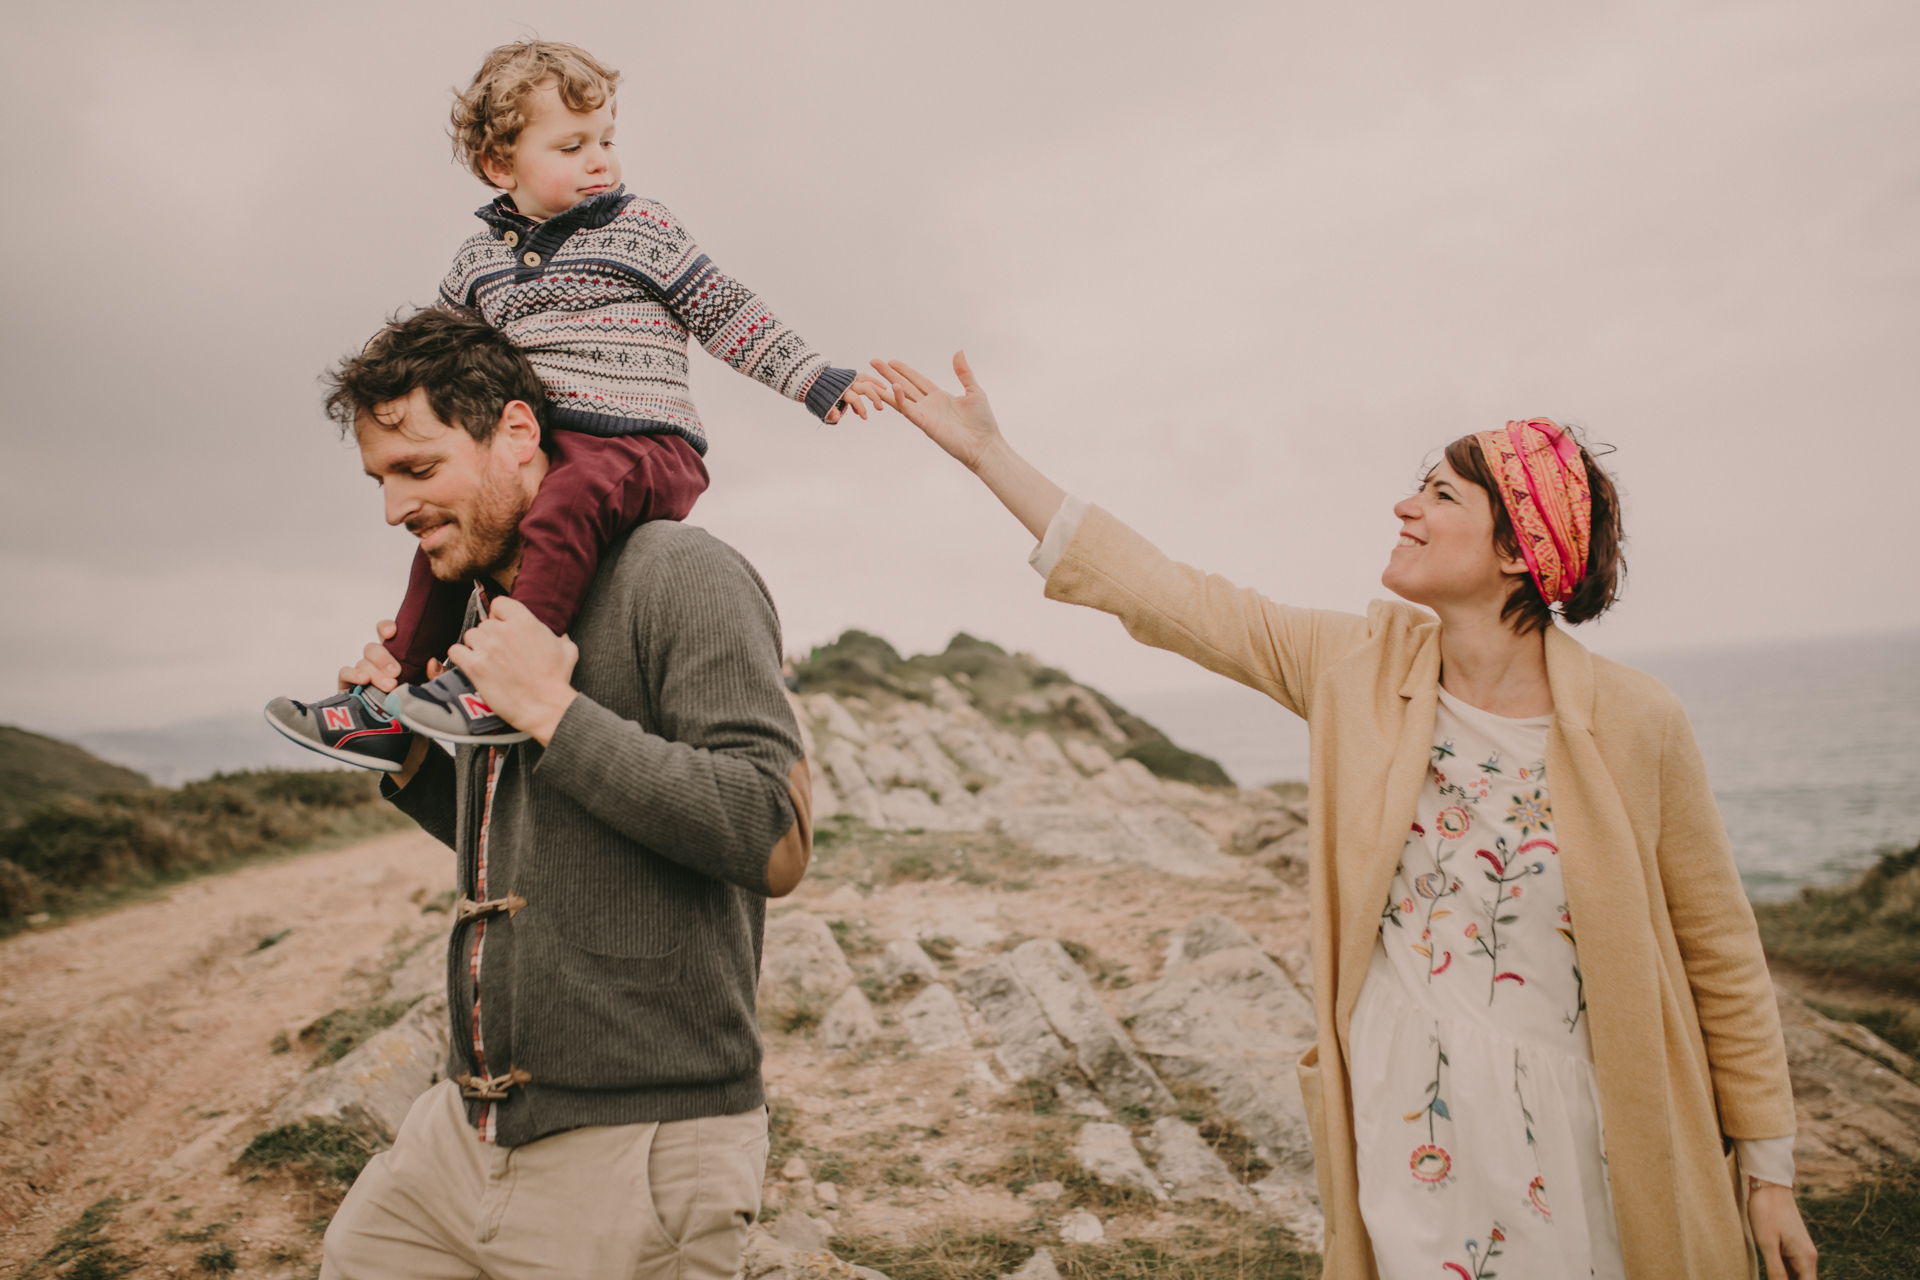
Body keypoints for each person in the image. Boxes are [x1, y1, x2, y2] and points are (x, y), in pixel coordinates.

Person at [871, 352, 1820, 1280]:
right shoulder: (1356, 667)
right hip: (1413, 1116)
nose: (1406, 507)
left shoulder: (1637, 720)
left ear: (1513, 550)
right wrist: (989, 455)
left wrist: (1768, 1172)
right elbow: (1162, 594)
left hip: (1593, 1128)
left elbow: (1719, 950)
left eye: (1442, 496)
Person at [314, 309, 814, 1279]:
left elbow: (771, 831)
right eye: (381, 480)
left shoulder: (684, 573)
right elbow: (528, 831)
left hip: (641, 1155)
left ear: (515, 433)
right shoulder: (475, 611)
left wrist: (556, 709)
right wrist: (409, 749)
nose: (393, 510)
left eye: (418, 469)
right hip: (455, 1143)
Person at [265, 38, 882, 767]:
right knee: (441, 553)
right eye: (571, 146)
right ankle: (388, 704)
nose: (602, 162)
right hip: (547, 448)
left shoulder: (642, 230)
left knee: (566, 501)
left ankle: (503, 681)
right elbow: (432, 364)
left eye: (607, 140)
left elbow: (726, 311)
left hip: (643, 444)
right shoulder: (476, 263)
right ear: (501, 165)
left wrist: (811, 376)